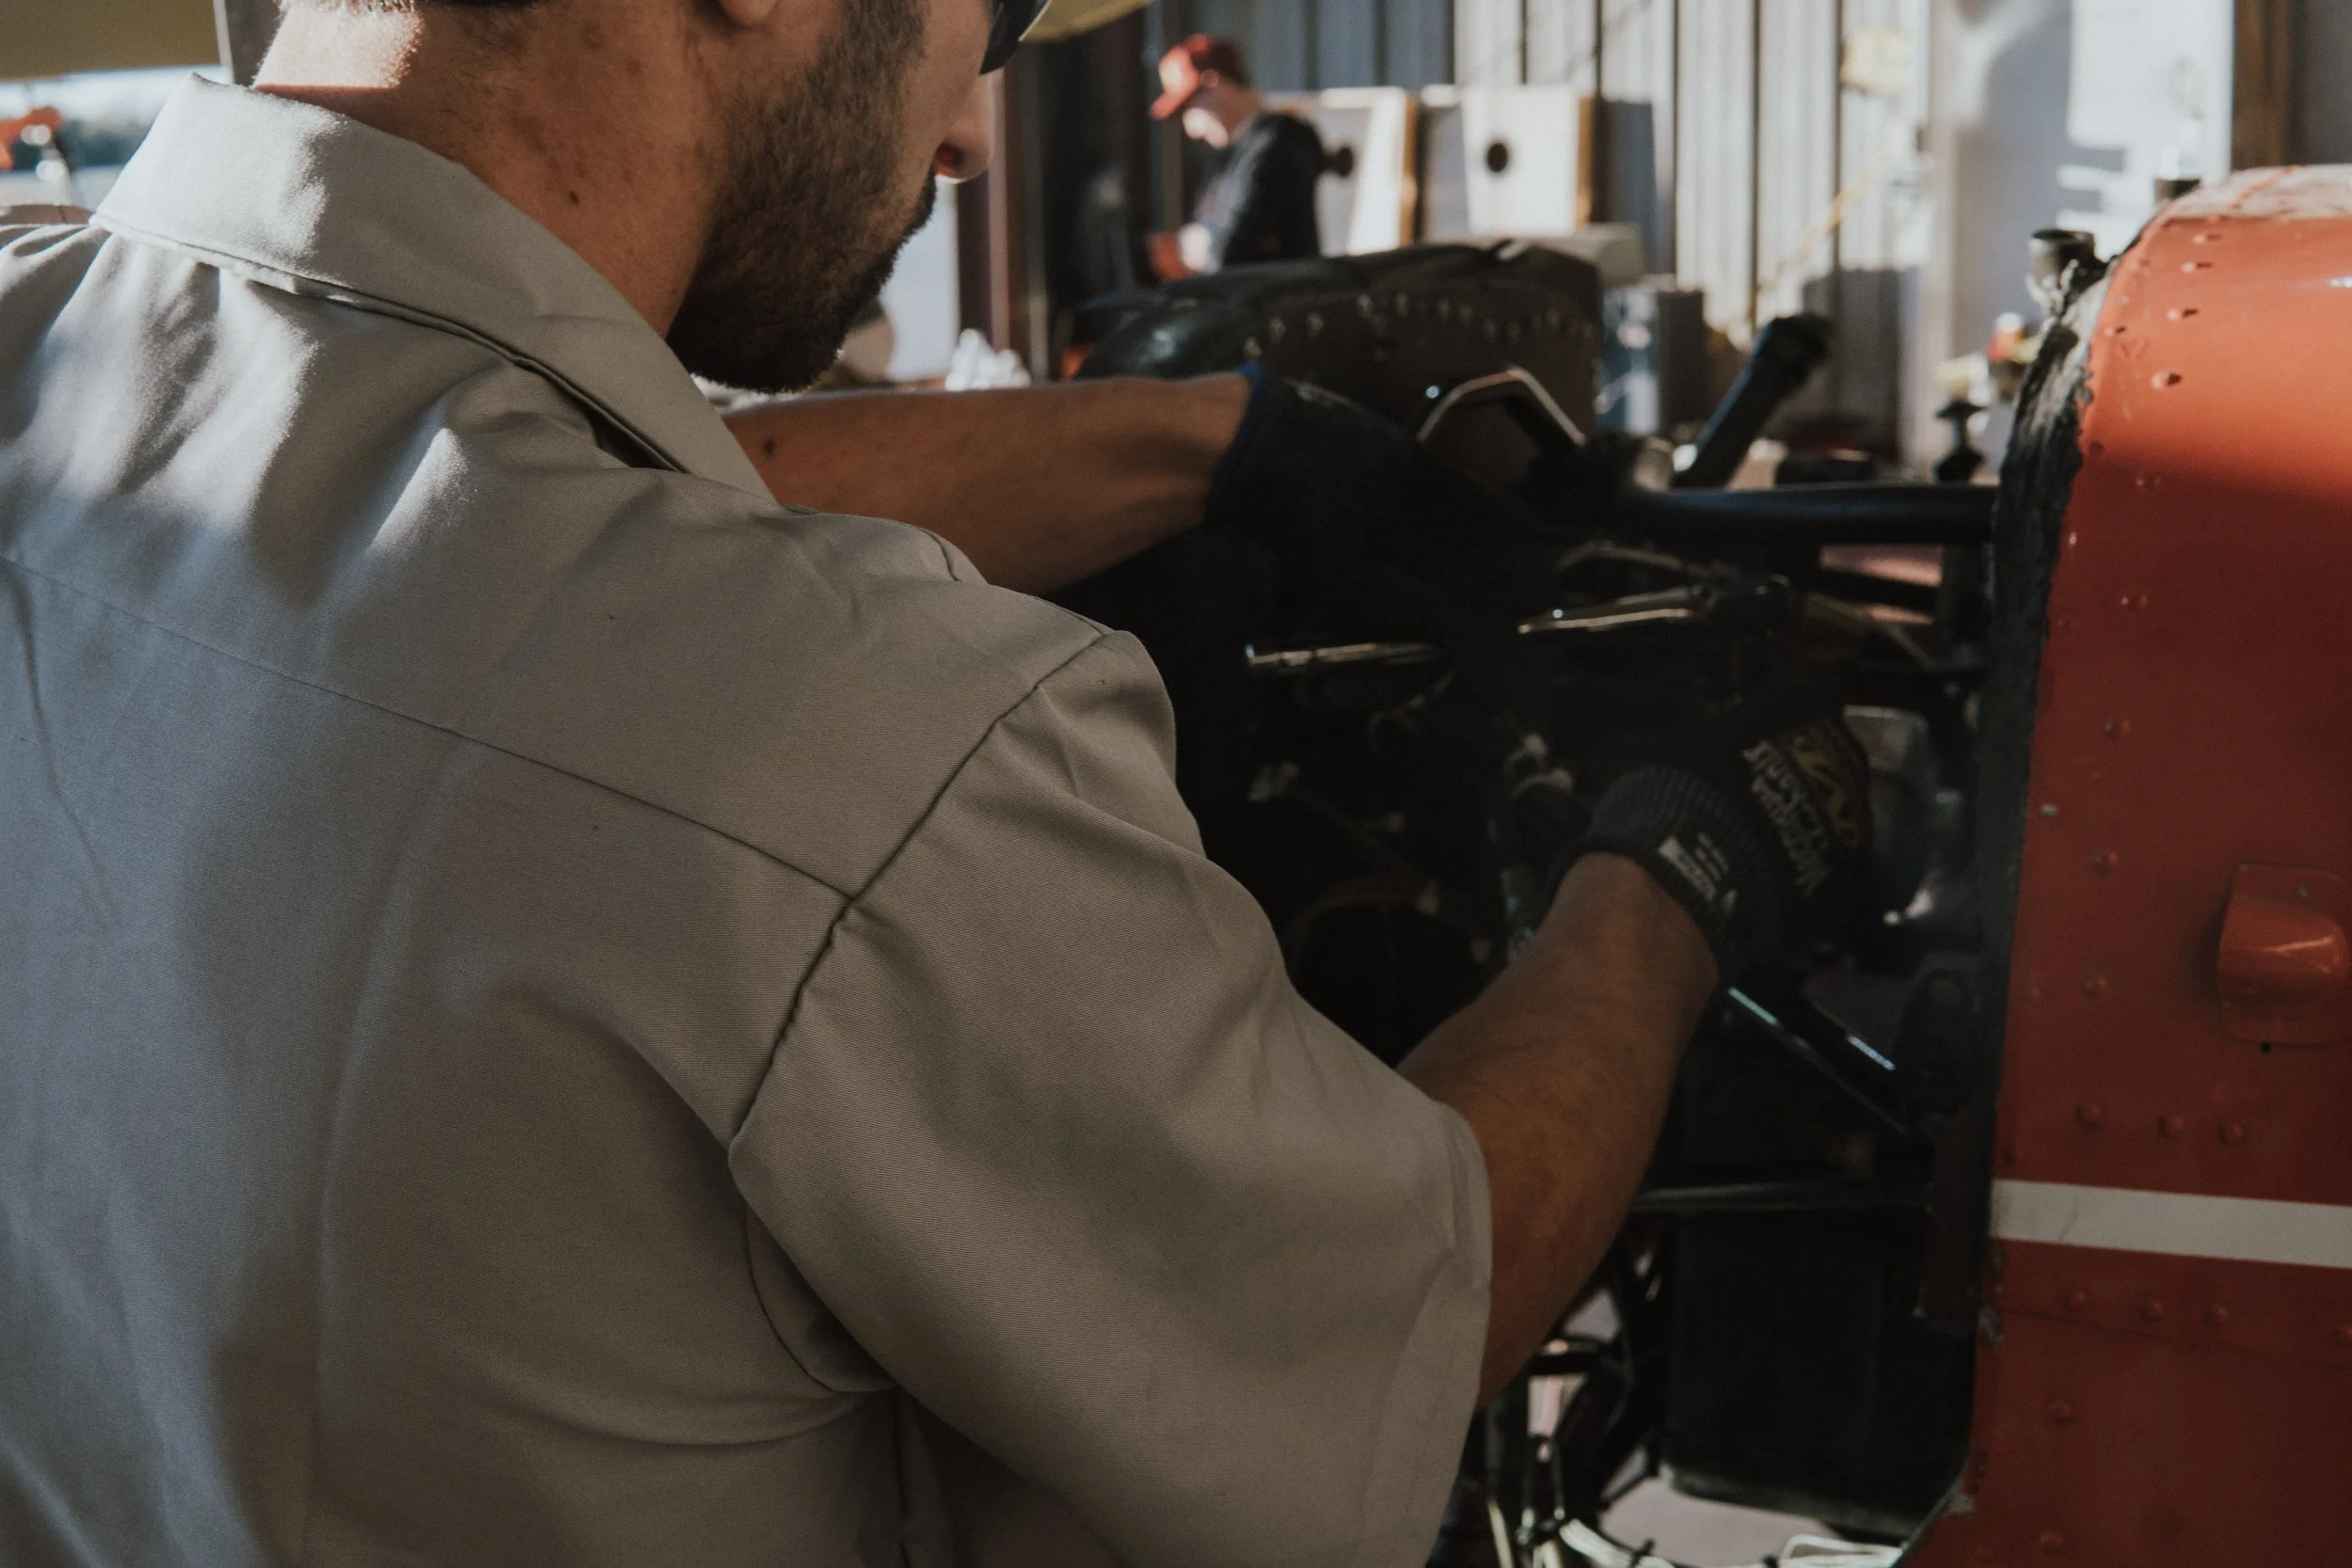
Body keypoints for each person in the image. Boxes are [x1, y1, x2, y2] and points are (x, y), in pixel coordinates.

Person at [0, 0, 1869, 1564]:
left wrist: (1220, 443)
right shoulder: (855, 734)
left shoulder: (40, 343)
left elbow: (501, 487)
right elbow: (1411, 1300)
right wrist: (1679, 863)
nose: (970, 138)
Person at [1149, 34, 1326, 277]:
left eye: (1191, 109)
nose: (1192, 130)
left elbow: (1227, 252)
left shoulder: (1281, 141)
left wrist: (1191, 245)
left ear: (1215, 83)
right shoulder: (1230, 155)